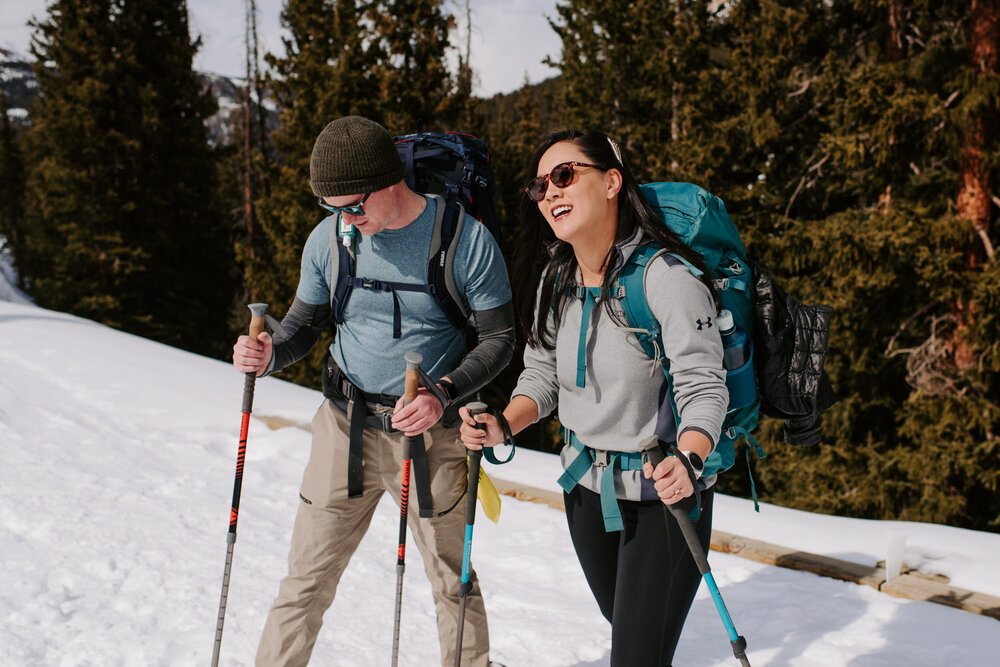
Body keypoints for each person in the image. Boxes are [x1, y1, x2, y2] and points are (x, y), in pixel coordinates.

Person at [233, 116, 514, 667]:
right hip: (346, 426)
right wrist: (269, 353)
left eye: (354, 206)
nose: (346, 220)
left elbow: (501, 338)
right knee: (305, 579)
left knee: (450, 580)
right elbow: (303, 326)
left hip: (433, 434)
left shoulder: (463, 240)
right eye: (332, 208)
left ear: (391, 182)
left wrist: (444, 392)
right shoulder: (330, 240)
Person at [458, 129, 728, 665]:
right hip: (585, 487)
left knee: (633, 655)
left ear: (610, 182)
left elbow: (704, 385)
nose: (551, 192)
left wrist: (690, 457)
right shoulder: (556, 279)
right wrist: (503, 425)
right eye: (540, 186)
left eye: (564, 175)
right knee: (626, 630)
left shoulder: (665, 279)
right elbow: (540, 375)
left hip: (664, 494)